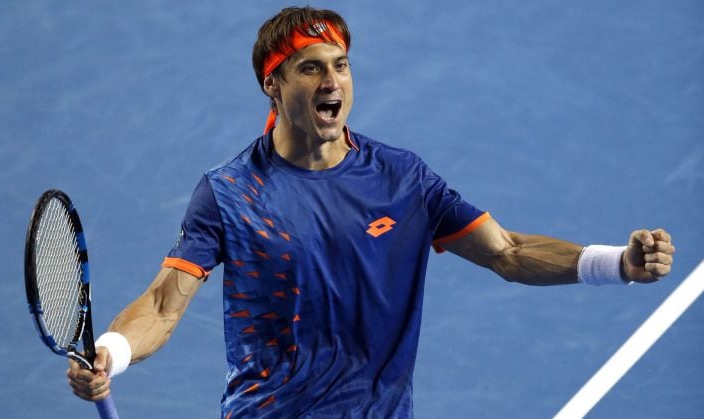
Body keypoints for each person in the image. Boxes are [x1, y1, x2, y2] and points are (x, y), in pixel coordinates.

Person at [67, 6, 675, 418]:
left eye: (341, 64)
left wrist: (617, 262)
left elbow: (508, 253)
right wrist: (113, 352)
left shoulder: (403, 179)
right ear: (272, 85)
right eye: (311, 67)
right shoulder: (230, 193)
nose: (332, 80)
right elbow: (163, 304)